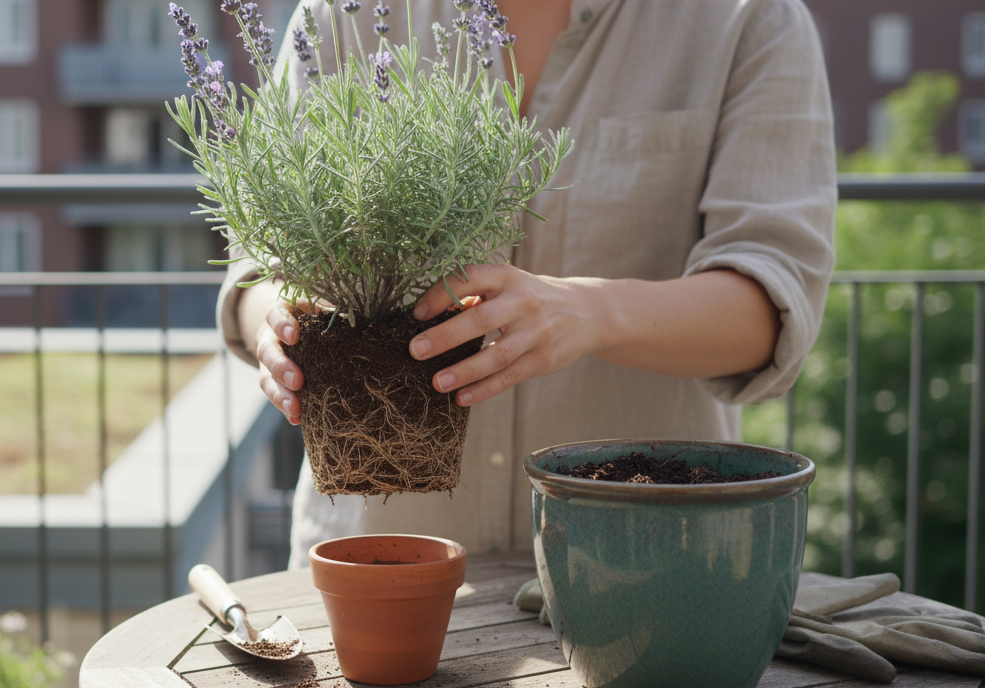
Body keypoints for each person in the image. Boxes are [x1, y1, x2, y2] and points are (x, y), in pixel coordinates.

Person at [216, 0, 836, 566]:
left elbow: (771, 305)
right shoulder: (342, 17)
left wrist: (594, 311)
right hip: (373, 567)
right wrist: (279, 323)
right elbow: (254, 272)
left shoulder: (747, 18)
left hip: (641, 578)